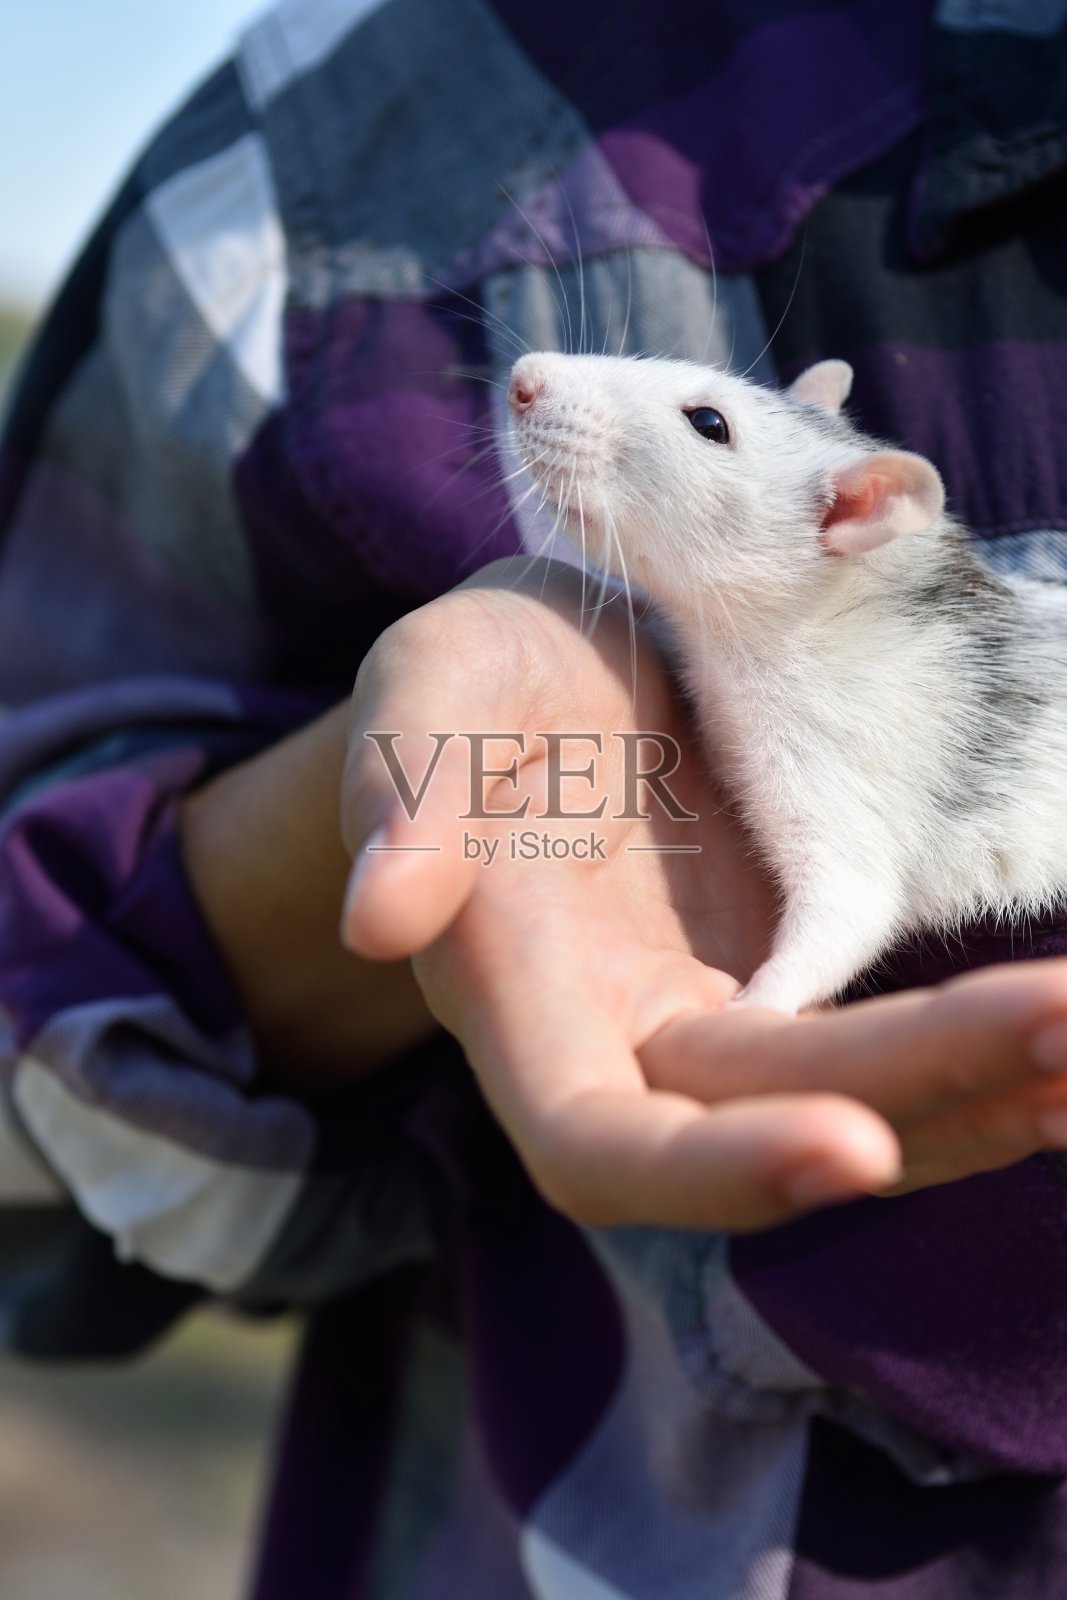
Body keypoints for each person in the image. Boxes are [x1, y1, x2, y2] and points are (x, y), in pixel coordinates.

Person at [4, 0, 1067, 1593]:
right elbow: (47, 1087)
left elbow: (844, 885)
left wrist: (767, 995)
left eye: (711, 419)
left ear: (848, 513)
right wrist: (385, 810)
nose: (542, 381)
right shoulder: (381, 122)